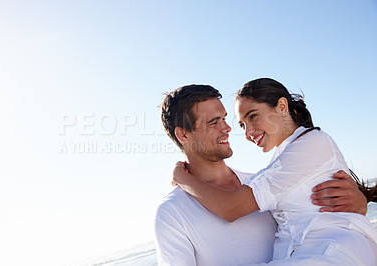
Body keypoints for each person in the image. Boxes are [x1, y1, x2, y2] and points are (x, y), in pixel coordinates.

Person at [155, 84, 368, 265]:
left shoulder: (255, 184)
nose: (227, 128)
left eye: (225, 119)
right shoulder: (171, 212)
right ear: (183, 134)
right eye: (214, 122)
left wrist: (358, 204)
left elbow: (309, 218)